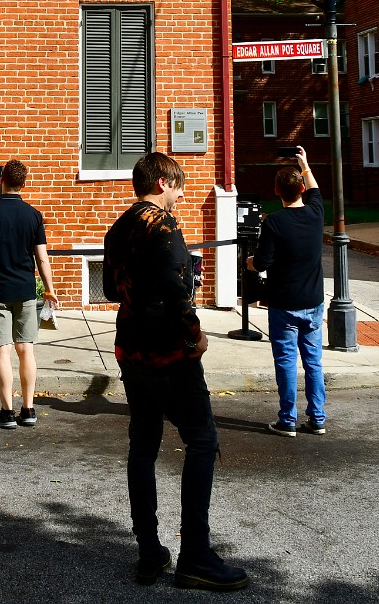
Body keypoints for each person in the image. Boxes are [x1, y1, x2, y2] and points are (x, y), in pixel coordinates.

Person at [103, 152, 248, 592]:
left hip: (131, 349)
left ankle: (149, 551)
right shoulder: (163, 225)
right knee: (202, 441)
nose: (182, 195)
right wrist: (194, 333)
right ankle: (196, 554)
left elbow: (110, 289)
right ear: (163, 181)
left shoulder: (118, 227)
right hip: (167, 352)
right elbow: (175, 285)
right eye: (179, 186)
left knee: (143, 445)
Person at [0, 159, 59, 429]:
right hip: (26, 290)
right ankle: (28, 409)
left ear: (2, 180)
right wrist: (49, 288)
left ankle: (6, 412)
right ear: (24, 183)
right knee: (25, 349)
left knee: (2, 351)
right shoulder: (33, 215)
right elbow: (42, 259)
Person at [247, 145, 327, 438]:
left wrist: (250, 263)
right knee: (313, 361)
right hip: (314, 301)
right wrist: (305, 163)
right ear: (302, 189)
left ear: (276, 191)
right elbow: (316, 190)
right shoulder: (316, 214)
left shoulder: (275, 223)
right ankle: (317, 419)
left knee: (285, 362)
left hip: (284, 304)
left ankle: (287, 420)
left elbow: (264, 262)